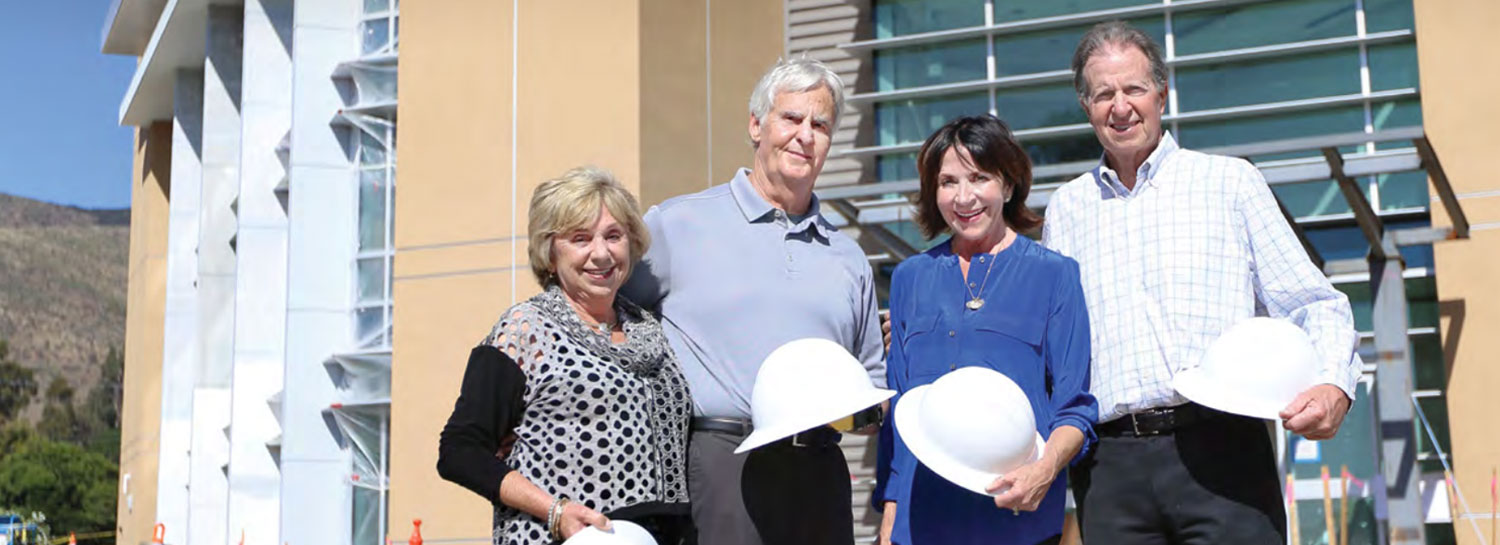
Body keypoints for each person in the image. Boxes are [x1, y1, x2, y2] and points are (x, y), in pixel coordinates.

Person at [1042, 21, 1364, 544]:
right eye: (1104, 94)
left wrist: (1333, 383)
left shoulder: (1230, 182)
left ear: (1162, 94)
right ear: (1086, 107)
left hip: (1223, 449)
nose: (1119, 106)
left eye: (1134, 89)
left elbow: (1313, 302)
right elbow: (1053, 345)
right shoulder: (1067, 209)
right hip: (1109, 466)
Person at [621, 57, 885, 545]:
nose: (805, 135)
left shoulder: (849, 258)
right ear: (756, 125)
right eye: (792, 118)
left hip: (820, 468)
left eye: (820, 124)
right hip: (722, 462)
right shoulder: (676, 226)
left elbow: (870, 391)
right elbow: (607, 321)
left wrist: (864, 411)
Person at [437, 167, 693, 545]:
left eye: (613, 236)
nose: (601, 253)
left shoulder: (650, 328)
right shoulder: (526, 330)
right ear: (550, 253)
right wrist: (554, 510)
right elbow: (459, 450)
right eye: (580, 238)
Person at [872, 115, 1097, 545]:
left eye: (979, 178)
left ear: (1008, 185)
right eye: (948, 182)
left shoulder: (1055, 276)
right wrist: (891, 509)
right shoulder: (910, 279)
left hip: (1018, 520)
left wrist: (1044, 471)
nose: (964, 197)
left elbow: (1075, 408)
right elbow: (899, 412)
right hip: (923, 522)